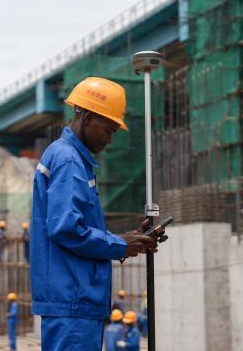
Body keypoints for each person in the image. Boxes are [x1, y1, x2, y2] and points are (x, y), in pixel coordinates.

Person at [30, 76, 159, 350]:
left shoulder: (70, 159)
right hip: (73, 301)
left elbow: (76, 227)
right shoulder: (68, 160)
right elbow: (66, 229)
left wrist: (127, 240)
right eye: (109, 130)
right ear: (87, 117)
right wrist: (120, 244)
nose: (109, 139)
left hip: (74, 301)